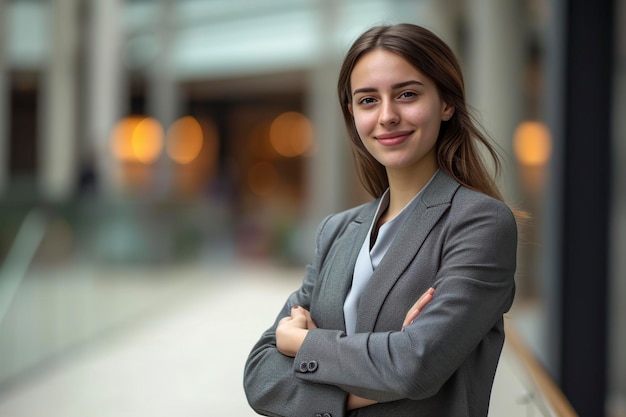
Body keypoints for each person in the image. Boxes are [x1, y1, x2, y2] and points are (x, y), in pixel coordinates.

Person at [243, 23, 518, 417]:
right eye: (368, 100)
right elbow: (260, 377)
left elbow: (414, 366)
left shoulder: (481, 224)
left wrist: (302, 345)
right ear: (352, 113)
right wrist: (375, 374)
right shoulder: (337, 231)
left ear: (446, 103)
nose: (387, 116)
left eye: (407, 94)